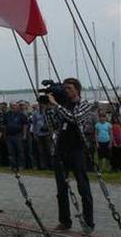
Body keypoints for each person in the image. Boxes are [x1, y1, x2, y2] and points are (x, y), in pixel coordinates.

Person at [48, 77, 95, 234]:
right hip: (61, 149)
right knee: (61, 189)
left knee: (83, 188)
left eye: (68, 88)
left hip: (77, 150)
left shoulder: (84, 104)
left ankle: (89, 223)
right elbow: (55, 123)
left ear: (77, 89)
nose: (66, 91)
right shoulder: (63, 105)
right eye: (64, 88)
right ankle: (64, 221)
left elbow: (74, 118)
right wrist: (51, 107)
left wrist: (56, 105)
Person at [4, 102, 28, 171]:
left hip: (18, 135)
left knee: (20, 151)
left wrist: (24, 134)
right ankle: (12, 165)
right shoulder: (7, 114)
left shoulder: (21, 115)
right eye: (12, 105)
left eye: (14, 105)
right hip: (9, 135)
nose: (13, 107)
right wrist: (5, 134)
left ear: (17, 106)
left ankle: (21, 165)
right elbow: (5, 125)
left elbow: (25, 125)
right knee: (11, 152)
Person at [32, 101, 52, 170]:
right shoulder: (35, 113)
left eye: (42, 103)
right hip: (38, 134)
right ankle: (43, 166)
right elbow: (34, 124)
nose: (41, 105)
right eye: (40, 103)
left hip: (47, 134)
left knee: (49, 150)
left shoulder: (48, 112)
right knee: (41, 151)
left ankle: (51, 165)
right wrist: (35, 134)